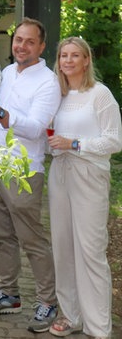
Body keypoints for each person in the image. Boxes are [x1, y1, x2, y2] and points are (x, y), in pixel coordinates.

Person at [0, 17, 61, 333]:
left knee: (32, 239)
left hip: (23, 169)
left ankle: (48, 302)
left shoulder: (49, 82)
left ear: (41, 46)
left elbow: (37, 128)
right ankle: (9, 294)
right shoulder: (8, 72)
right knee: (1, 236)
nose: (21, 45)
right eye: (17, 39)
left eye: (28, 41)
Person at [46, 37, 122, 339]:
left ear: (86, 60)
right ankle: (71, 315)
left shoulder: (99, 94)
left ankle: (98, 326)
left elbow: (115, 140)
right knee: (63, 248)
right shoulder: (58, 95)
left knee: (90, 250)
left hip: (89, 174)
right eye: (63, 55)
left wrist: (75, 144)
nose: (68, 60)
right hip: (60, 174)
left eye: (75, 55)